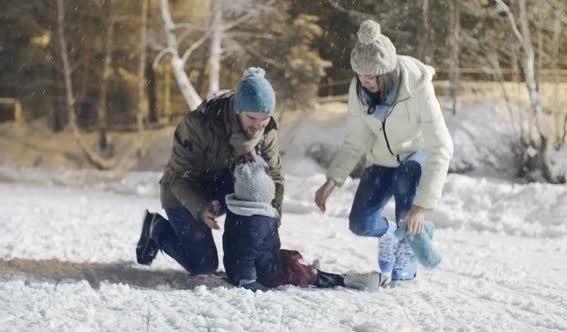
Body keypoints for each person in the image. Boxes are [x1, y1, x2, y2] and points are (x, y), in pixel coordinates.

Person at [314, 20, 453, 284]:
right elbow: (355, 141)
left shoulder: (417, 86)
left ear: (387, 72)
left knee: (406, 185)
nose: (365, 82)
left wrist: (421, 207)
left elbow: (441, 146)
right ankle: (392, 233)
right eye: (361, 76)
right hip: (381, 159)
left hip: (415, 157)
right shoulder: (359, 90)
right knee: (360, 224)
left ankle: (409, 243)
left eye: (371, 77)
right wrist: (332, 180)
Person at [135, 67, 284, 275]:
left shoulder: (267, 131)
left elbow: (274, 174)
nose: (258, 126)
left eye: (265, 118)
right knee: (203, 266)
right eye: (252, 118)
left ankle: (238, 257)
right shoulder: (199, 125)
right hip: (183, 192)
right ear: (238, 109)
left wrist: (275, 207)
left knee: (255, 182)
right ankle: (156, 228)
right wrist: (201, 207)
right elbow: (178, 176)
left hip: (224, 187)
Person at [223, 156, 382, 292]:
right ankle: (346, 280)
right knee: (300, 274)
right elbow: (245, 255)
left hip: (259, 263)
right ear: (261, 196)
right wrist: (248, 280)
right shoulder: (255, 222)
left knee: (288, 257)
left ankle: (302, 266)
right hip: (265, 274)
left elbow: (242, 248)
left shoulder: (241, 212)